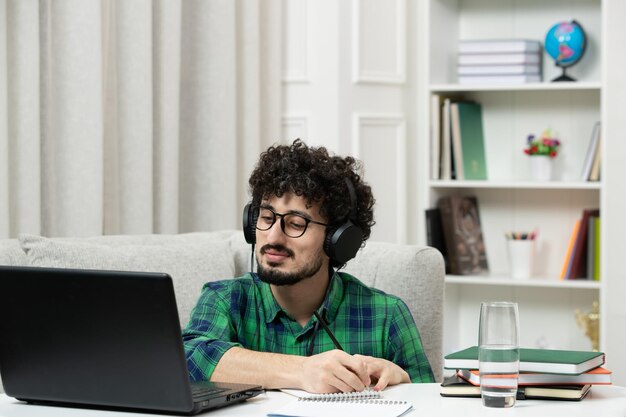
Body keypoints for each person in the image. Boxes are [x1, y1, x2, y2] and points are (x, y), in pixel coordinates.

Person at [182, 140, 434, 393]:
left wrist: (402, 383)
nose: (273, 238)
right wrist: (302, 371)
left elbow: (434, 405)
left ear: (338, 240)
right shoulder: (225, 300)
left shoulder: (386, 315)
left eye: (295, 223)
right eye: (267, 218)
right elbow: (190, 357)